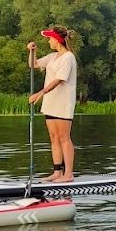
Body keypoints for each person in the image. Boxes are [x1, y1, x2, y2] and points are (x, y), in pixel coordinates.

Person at [27, 26, 78, 182]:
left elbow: (59, 80)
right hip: (51, 103)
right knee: (54, 137)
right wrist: (32, 51)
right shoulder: (52, 56)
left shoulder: (68, 57)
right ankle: (57, 172)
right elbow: (33, 65)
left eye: (50, 38)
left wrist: (41, 93)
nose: (48, 41)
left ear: (57, 40)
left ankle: (68, 174)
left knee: (64, 137)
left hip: (63, 103)